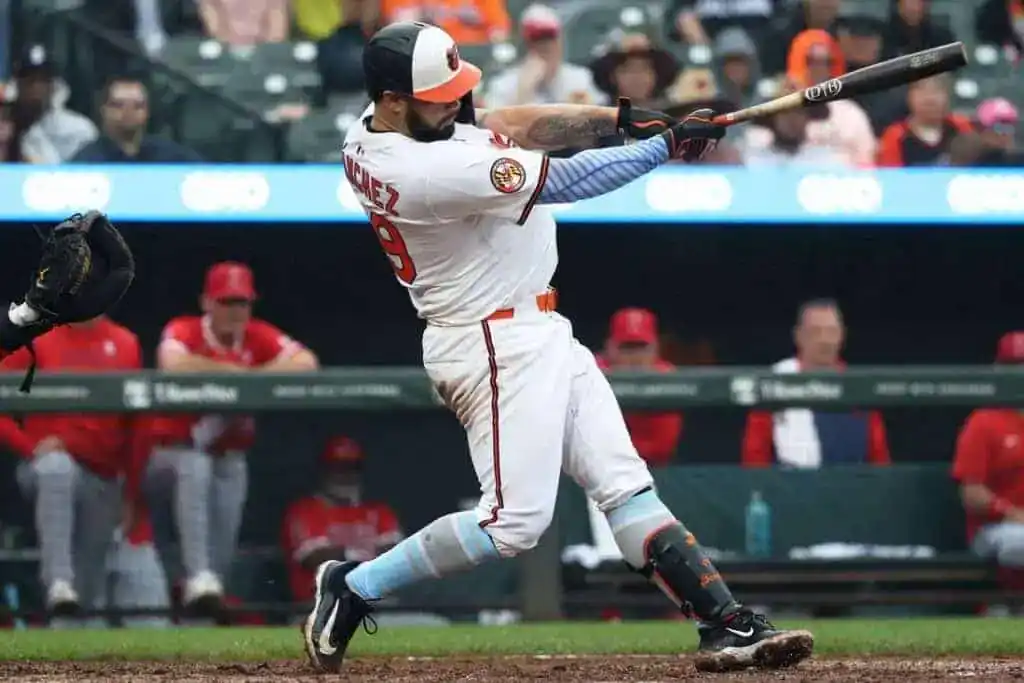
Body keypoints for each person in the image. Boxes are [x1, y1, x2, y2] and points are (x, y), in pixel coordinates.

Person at [304, 21, 813, 675]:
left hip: (536, 326)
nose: (456, 104)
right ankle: (353, 585)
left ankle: (725, 622)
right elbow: (565, 182)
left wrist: (620, 119)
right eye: (440, 95)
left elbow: (508, 119)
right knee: (510, 524)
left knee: (625, 486)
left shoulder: (385, 126)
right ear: (393, 98)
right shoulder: (427, 169)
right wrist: (663, 147)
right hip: (491, 340)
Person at [143, 261, 318, 616]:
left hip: (225, 455)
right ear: (207, 302)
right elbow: (172, 364)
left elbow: (307, 363)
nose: (235, 311)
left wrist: (249, 377)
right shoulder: (187, 329)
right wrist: (234, 374)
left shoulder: (257, 335)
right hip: (168, 458)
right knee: (195, 466)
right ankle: (198, 576)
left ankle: (207, 590)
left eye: (242, 303)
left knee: (227, 491)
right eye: (226, 302)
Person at [2, 316, 146, 618]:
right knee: (57, 468)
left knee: (88, 590)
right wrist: (29, 446)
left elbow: (135, 427)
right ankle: (58, 581)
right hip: (46, 467)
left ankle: (71, 652)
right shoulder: (37, 337)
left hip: (103, 475)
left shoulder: (125, 342)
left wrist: (131, 492)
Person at [741, 299, 890, 468]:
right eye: (816, 332)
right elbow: (754, 460)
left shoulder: (859, 387)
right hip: (791, 490)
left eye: (831, 331)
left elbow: (879, 459)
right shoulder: (775, 383)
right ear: (798, 336)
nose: (824, 340)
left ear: (842, 335)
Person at [282, 436, 402, 603]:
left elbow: (396, 557)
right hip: (321, 606)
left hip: (377, 604)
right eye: (339, 468)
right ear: (324, 471)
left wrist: (351, 556)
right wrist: (358, 554)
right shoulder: (305, 511)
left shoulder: (378, 511)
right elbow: (316, 560)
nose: (346, 475)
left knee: (431, 625)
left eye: (352, 468)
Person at [952, 331, 1024, 603]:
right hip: (994, 529)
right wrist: (1011, 513)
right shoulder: (983, 422)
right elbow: (971, 493)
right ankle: (1005, 608)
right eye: (1014, 367)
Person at [595, 308, 683, 467]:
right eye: (626, 348)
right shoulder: (589, 374)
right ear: (609, 348)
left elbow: (661, 449)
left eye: (641, 347)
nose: (635, 357)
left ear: (656, 349)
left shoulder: (666, 378)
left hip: (651, 471)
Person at [484, 4, 604, 108]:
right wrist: (524, 91)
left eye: (550, 37)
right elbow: (497, 130)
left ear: (560, 40)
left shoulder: (580, 78)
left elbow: (599, 125)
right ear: (526, 44)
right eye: (537, 39)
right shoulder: (504, 84)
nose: (545, 45)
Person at [70, 76, 202, 163]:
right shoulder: (87, 161)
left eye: (138, 106)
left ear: (148, 111)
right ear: (104, 110)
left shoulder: (172, 156)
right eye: (118, 105)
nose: (128, 112)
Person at [877, 75, 972, 167]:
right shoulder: (894, 136)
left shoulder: (960, 126)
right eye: (921, 91)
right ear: (909, 97)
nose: (930, 99)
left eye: (936, 91)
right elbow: (889, 178)